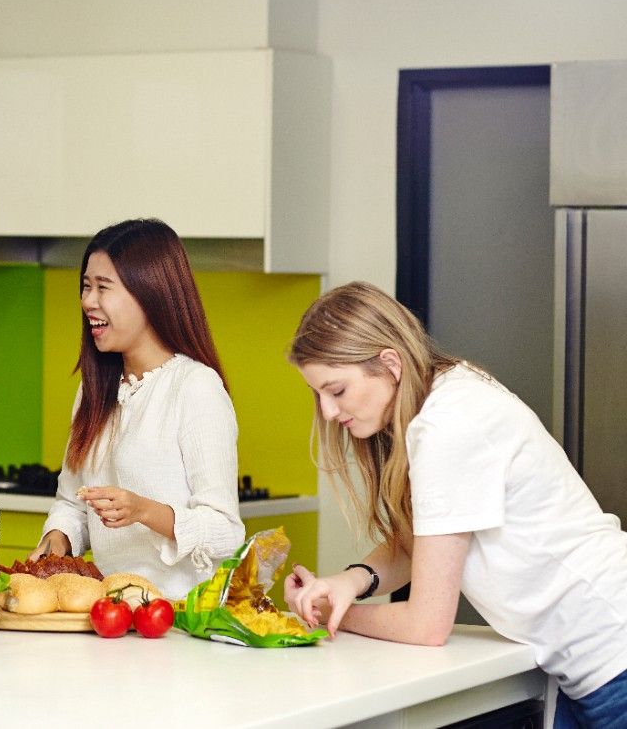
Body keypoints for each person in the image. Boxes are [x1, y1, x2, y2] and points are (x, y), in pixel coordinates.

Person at [284, 281, 627, 728]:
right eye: (319, 395)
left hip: (612, 656)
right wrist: (350, 582)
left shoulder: (448, 425)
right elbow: (422, 542)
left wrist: (340, 618)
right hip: (589, 665)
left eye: (337, 391)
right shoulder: (446, 396)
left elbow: (426, 626)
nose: (328, 412)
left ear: (389, 363)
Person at [32, 218, 245, 599]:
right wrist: (57, 541)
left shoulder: (195, 388)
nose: (87, 302)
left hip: (180, 620)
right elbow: (71, 501)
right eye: (85, 286)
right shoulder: (95, 390)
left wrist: (144, 510)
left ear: (149, 293)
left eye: (102, 288)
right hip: (110, 611)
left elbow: (226, 532)